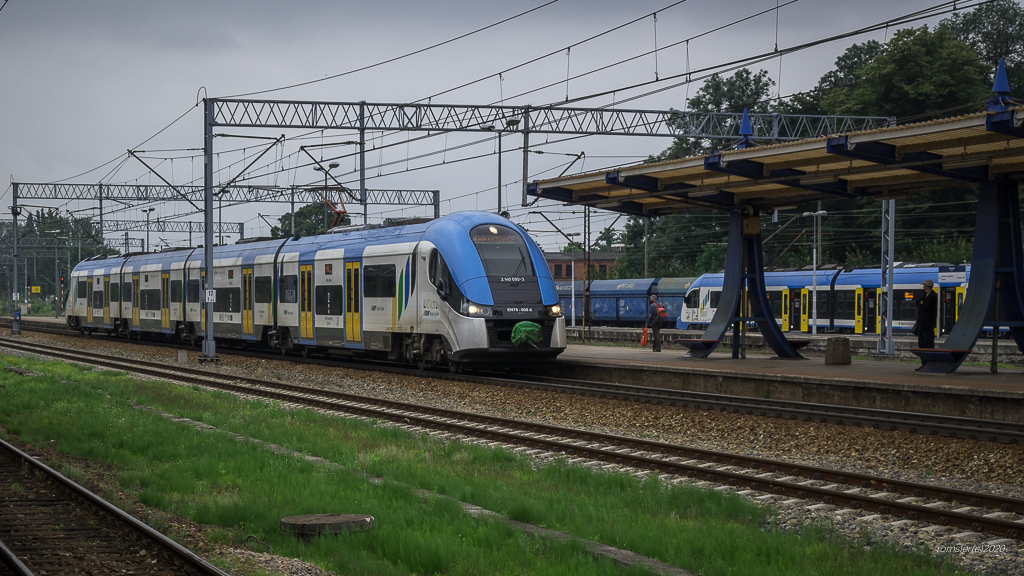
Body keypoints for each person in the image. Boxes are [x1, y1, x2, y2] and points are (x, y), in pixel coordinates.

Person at [915, 278, 938, 351]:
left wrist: (922, 303)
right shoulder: (925, 295)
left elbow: (925, 307)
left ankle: (928, 358)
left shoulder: (932, 296)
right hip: (921, 324)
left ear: (927, 287)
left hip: (928, 324)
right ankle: (923, 359)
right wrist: (921, 303)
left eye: (924, 286)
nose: (923, 288)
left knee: (928, 342)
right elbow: (917, 302)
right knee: (921, 342)